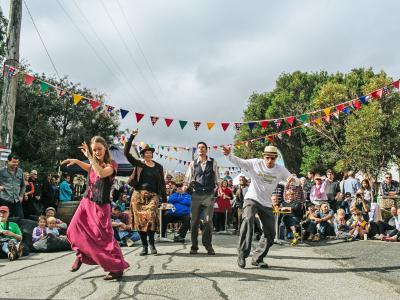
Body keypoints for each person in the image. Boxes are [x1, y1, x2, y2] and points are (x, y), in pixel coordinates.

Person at [61, 136, 129, 280]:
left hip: (100, 206)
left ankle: (117, 268)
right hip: (86, 203)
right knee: (72, 229)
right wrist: (78, 161)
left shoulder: (112, 164)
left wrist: (90, 157)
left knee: (104, 238)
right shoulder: (94, 163)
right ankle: (81, 254)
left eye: (99, 149)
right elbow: (90, 168)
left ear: (105, 148)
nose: (97, 152)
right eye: (94, 150)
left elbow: (101, 173)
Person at [222, 145, 291, 268]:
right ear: (263, 157)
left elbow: (293, 179)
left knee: (270, 233)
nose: (270, 161)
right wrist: (229, 155)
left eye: (273, 158)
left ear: (276, 159)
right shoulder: (256, 163)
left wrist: (293, 180)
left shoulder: (281, 169)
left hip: (267, 203)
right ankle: (242, 254)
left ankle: (257, 258)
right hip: (252, 198)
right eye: (268, 158)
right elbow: (239, 162)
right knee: (248, 219)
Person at [183, 141, 219, 255]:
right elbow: (188, 177)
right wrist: (184, 186)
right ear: (197, 150)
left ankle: (208, 245)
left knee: (208, 220)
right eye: (199, 148)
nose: (201, 149)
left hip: (209, 195)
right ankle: (194, 246)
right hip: (196, 195)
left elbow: (217, 177)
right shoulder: (193, 163)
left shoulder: (213, 162)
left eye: (203, 147)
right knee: (194, 222)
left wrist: (219, 189)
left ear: (206, 149)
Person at [124, 129, 167, 204]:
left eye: (150, 152)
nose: (149, 154)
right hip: (138, 196)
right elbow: (126, 153)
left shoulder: (159, 166)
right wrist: (132, 137)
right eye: (147, 153)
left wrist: (164, 201)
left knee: (151, 215)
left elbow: (162, 184)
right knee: (137, 216)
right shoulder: (139, 164)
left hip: (153, 197)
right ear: (143, 154)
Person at [130, 183, 159, 255]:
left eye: (149, 192)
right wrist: (145, 210)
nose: (147, 193)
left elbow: (153, 206)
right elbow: (135, 207)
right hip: (139, 215)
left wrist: (145, 210)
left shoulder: (154, 195)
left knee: (151, 227)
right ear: (141, 191)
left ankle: (152, 246)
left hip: (149, 215)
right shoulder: (136, 195)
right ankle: (144, 247)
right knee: (140, 228)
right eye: (145, 192)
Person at [0, 153, 25, 218]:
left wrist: (21, 196)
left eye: (17, 162)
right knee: (5, 218)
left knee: (20, 217)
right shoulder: (1, 171)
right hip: (5, 199)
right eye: (14, 162)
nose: (16, 164)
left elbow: (23, 185)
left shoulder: (20, 171)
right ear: (8, 161)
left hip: (17, 200)